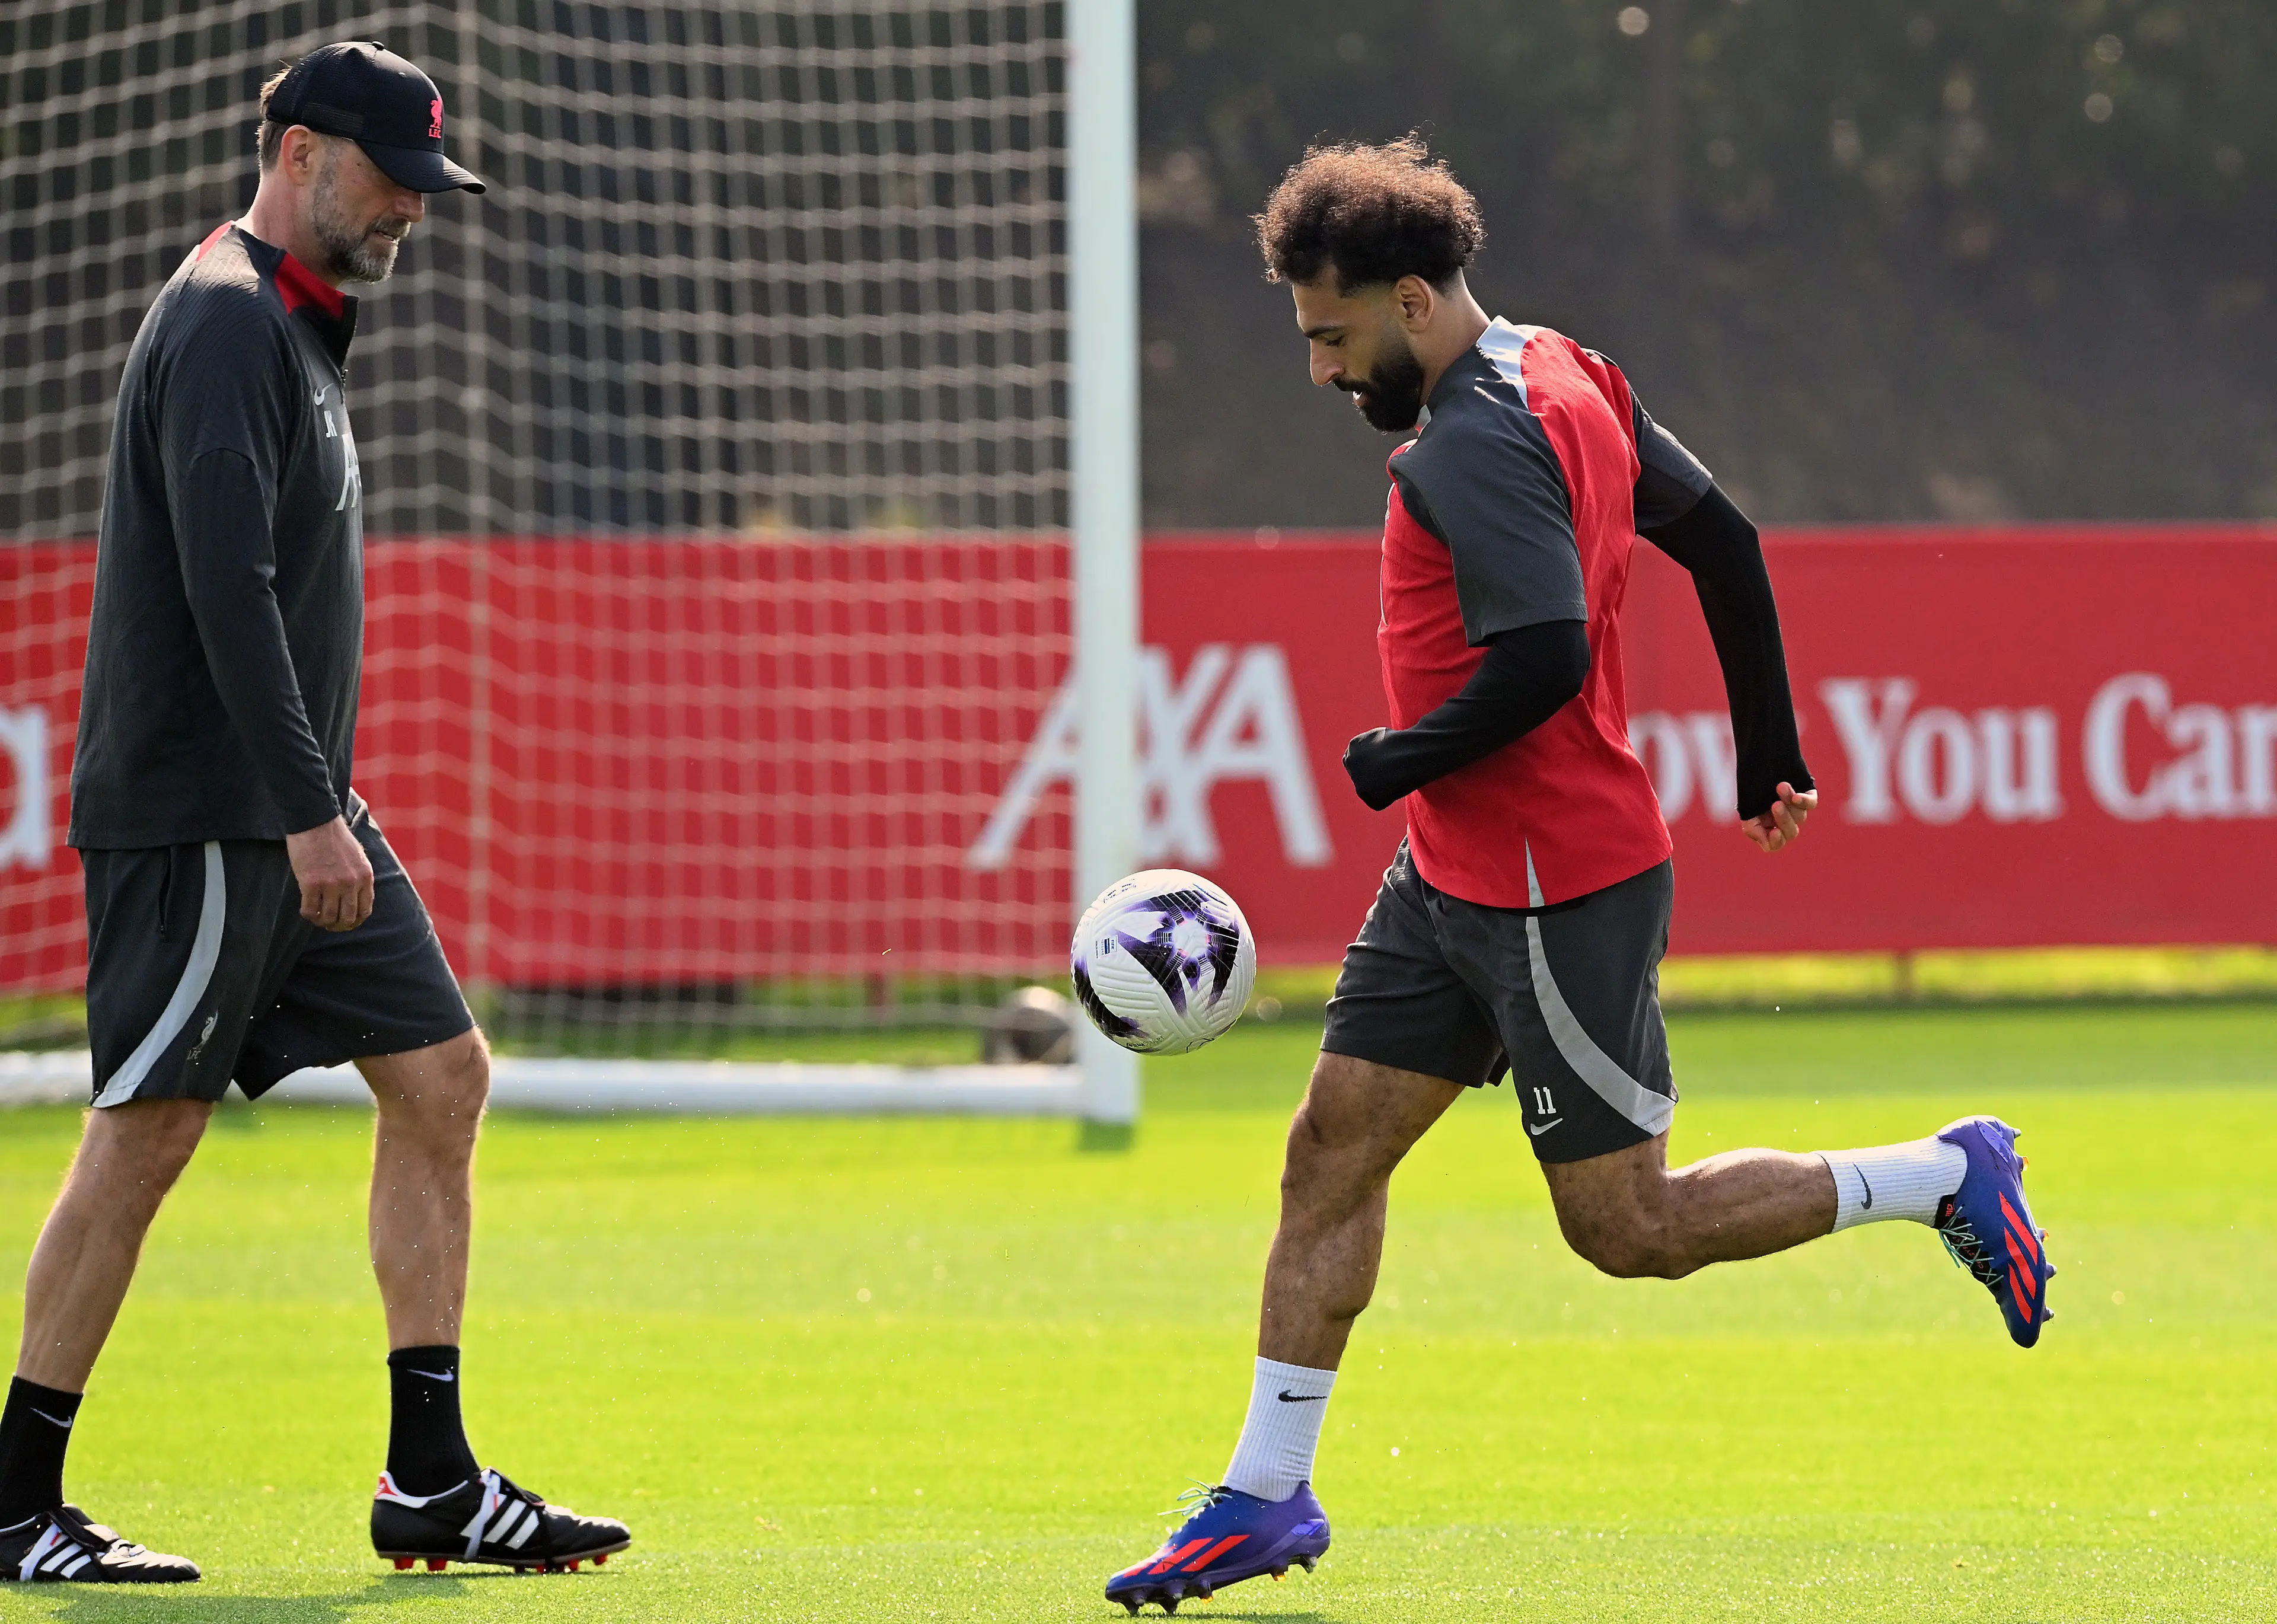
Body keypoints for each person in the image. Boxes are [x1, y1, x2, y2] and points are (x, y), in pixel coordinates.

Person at [1104, 138, 2054, 1616]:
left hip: (1555, 889)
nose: (1320, 372)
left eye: (1332, 337)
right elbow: (1724, 540)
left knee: (1628, 1228)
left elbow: (1542, 657)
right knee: (1328, 1150)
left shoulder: (1473, 442)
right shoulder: (1567, 366)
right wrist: (1769, 750)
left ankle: (1941, 1178)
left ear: (1412, 300)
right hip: (1452, 877)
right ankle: (1264, 1494)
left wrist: (1397, 756)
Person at [0, 43, 629, 1585]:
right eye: (390, 175)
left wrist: (318, 809)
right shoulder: (224, 321)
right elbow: (229, 589)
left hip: (296, 815)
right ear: (293, 149)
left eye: (426, 182)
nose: (412, 205)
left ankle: (430, 1479)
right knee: (145, 1133)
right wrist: (304, 813)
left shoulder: (293, 325)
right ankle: (14, 1499)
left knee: (442, 1079)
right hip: (218, 822)